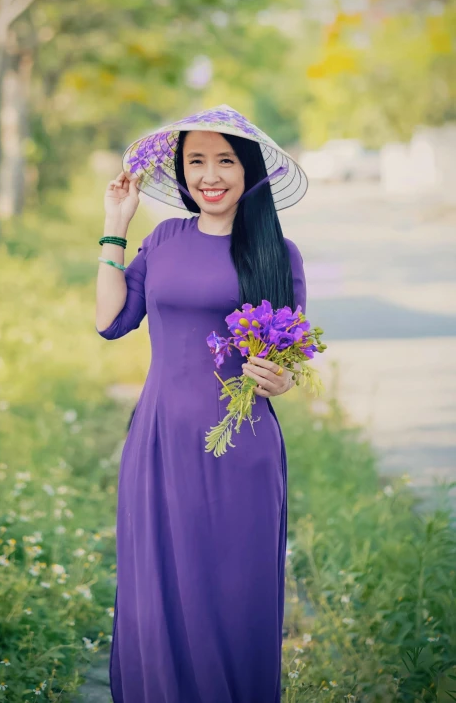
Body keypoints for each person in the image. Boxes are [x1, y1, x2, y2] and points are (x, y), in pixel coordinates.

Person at [95, 105, 308, 703]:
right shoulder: (163, 239)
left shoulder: (277, 252)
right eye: (196, 161)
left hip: (241, 449)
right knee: (157, 592)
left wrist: (280, 380)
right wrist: (116, 223)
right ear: (182, 173)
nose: (209, 175)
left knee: (235, 596)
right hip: (159, 443)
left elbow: (289, 361)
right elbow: (111, 322)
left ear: (249, 171)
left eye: (225, 160)